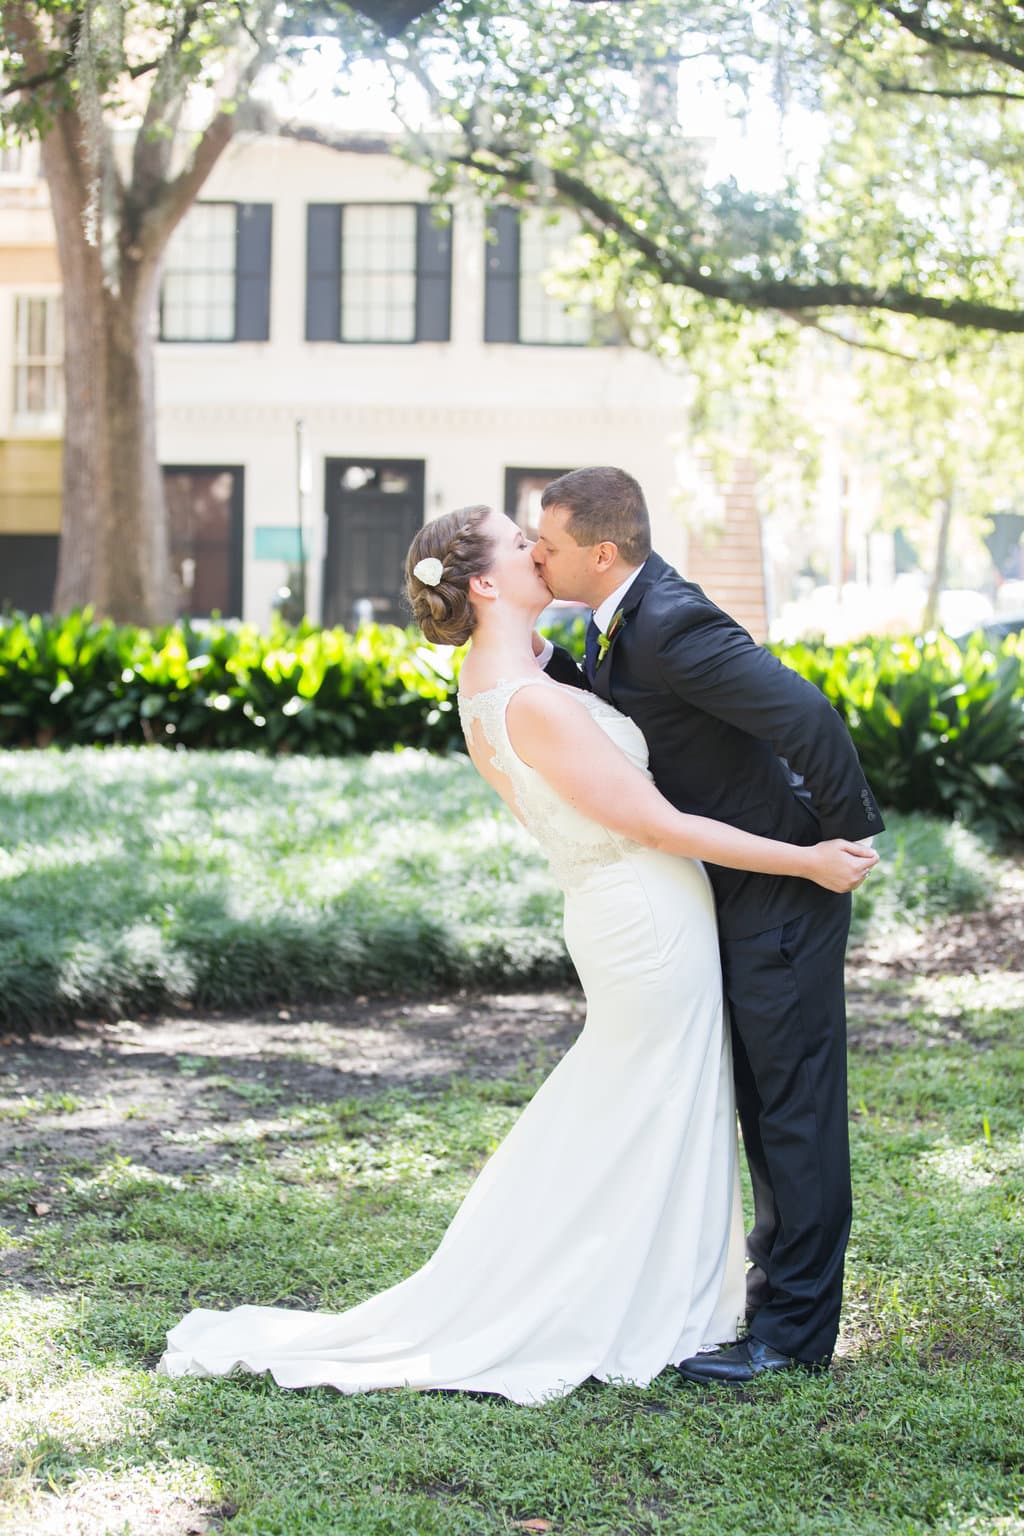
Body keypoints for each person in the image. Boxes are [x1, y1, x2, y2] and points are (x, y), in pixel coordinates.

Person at [157, 504, 876, 1406]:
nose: (539, 552)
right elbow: (657, 821)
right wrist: (808, 858)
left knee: (649, 1102)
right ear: (486, 582)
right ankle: (613, 1297)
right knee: (643, 1104)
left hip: (624, 910)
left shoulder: (503, 677)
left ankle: (682, 1292)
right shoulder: (531, 700)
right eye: (520, 543)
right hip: (646, 913)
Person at [532, 466, 884, 1383]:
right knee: (763, 1110)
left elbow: (805, 714)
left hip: (782, 894)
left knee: (793, 1115)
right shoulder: (620, 620)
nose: (537, 553)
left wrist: (842, 838)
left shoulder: (674, 622)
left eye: (551, 543)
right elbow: (638, 724)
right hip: (732, 887)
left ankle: (793, 1338)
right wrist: (546, 671)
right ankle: (770, 1307)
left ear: (600, 552)